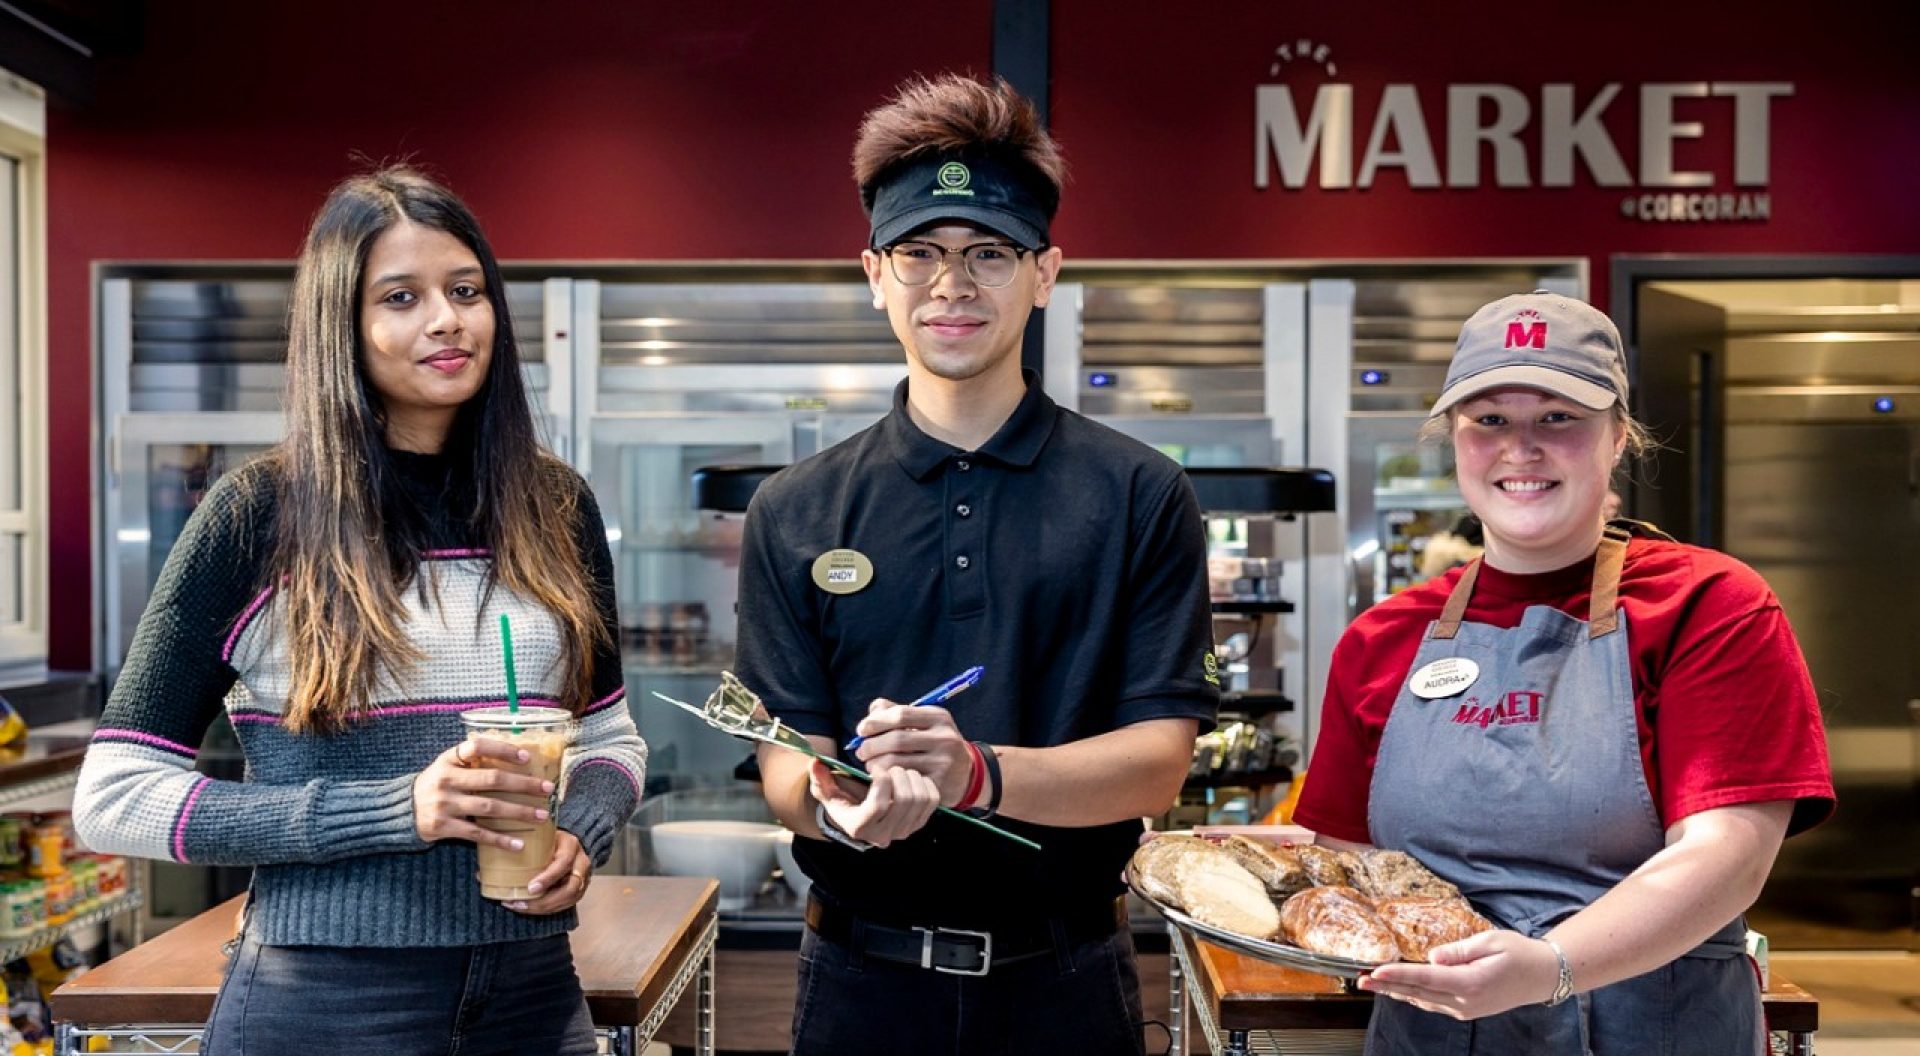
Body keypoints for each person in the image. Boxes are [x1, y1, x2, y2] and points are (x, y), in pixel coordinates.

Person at [73, 167, 646, 1055]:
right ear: (343, 326)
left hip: (532, 993)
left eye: (466, 291)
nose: (447, 319)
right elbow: (114, 800)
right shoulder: (256, 516)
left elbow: (610, 741)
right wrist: (396, 810)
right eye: (401, 297)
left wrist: (582, 827)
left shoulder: (555, 507)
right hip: (326, 1000)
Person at [733, 74, 1219, 1056]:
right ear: (875, 273)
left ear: (1045, 273)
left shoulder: (1137, 494)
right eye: (920, 253)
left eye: (989, 253)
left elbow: (1159, 760)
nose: (952, 284)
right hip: (859, 987)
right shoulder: (795, 509)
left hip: (1066, 984)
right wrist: (837, 806)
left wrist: (973, 775)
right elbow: (785, 756)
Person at [1294, 291, 1834, 1055]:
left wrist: (1552, 967)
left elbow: (1728, 855)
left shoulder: (1708, 606)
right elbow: (1347, 864)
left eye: (1558, 417)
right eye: (1489, 419)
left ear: (1618, 438)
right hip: (1435, 1038)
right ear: (1453, 437)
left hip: (1655, 1030)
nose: (1521, 448)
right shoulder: (1380, 640)